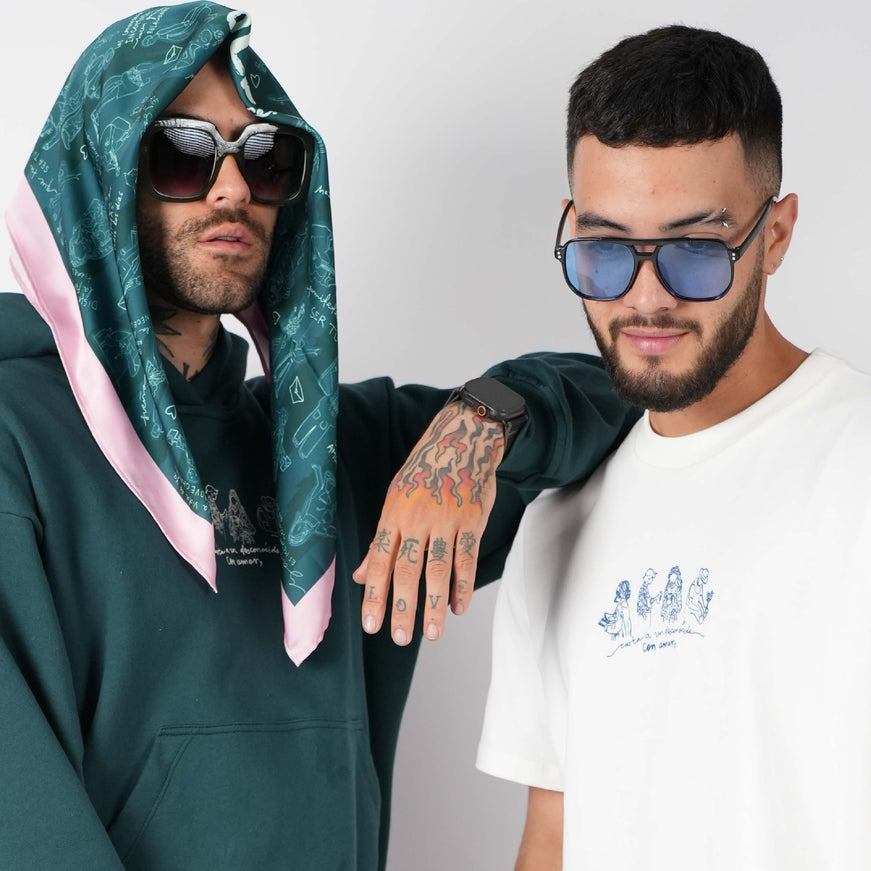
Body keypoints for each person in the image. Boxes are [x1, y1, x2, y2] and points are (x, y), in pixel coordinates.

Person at [0, 4, 638, 869]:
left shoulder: (343, 452)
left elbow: (630, 397)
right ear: (98, 175)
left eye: (265, 157)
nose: (232, 189)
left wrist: (477, 420)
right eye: (180, 153)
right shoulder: (17, 441)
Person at [476, 24, 871, 870]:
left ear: (775, 234)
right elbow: (550, 840)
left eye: (694, 250)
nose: (646, 298)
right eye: (606, 249)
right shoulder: (556, 525)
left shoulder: (855, 464)